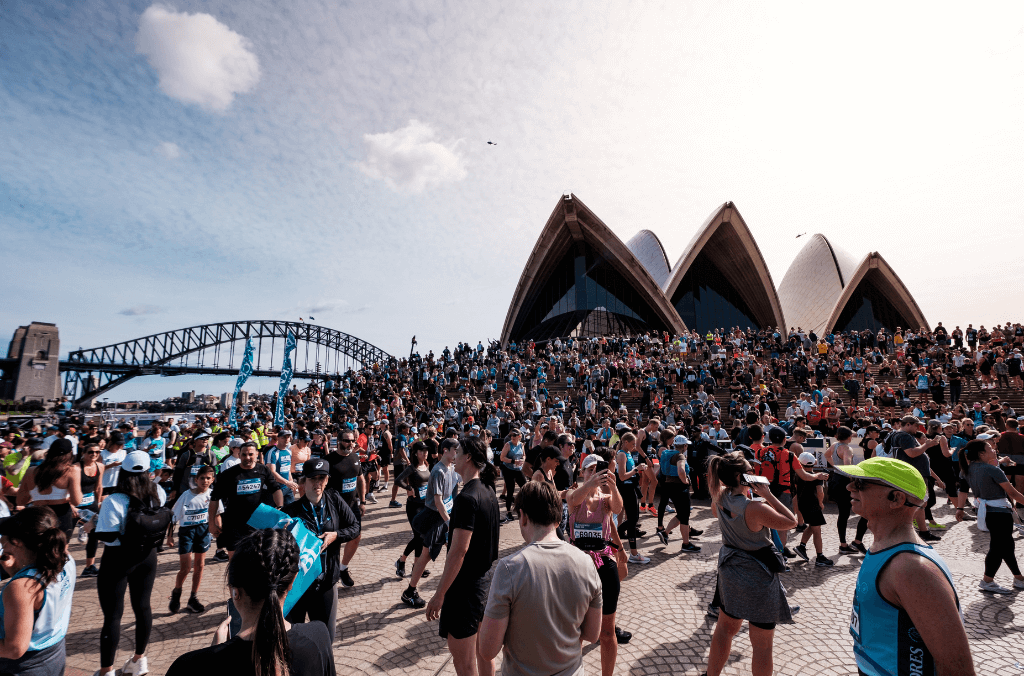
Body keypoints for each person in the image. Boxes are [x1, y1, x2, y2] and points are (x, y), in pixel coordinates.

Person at [836, 457, 975, 675]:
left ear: (896, 498)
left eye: (860, 483)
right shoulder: (884, 547)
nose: (849, 486)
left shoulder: (911, 568)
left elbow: (959, 669)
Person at [165, 528, 336, 676]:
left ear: (235, 592)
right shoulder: (318, 637)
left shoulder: (188, 667)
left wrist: (216, 652)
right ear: (292, 582)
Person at [477, 481, 602, 676]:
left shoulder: (509, 569)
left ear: (523, 517)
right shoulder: (586, 563)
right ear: (558, 520)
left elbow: (487, 650)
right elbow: (592, 634)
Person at [704, 451, 796, 676]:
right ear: (740, 477)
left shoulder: (719, 496)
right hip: (758, 576)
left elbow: (717, 513)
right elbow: (792, 522)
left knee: (725, 629)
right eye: (749, 471)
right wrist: (769, 495)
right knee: (763, 644)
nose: (754, 473)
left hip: (730, 571)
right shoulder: (755, 508)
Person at [424, 437, 500, 676]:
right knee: (484, 654)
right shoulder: (487, 489)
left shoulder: (467, 498)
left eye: (458, 452)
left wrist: (439, 594)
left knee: (465, 664)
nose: (453, 457)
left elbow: (458, 551)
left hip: (465, 590)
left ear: (468, 457)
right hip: (485, 584)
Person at [94, 450, 169, 676]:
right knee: (143, 607)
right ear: (148, 472)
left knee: (113, 616)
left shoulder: (115, 500)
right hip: (148, 557)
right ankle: (139, 660)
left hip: (117, 560)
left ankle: (107, 670)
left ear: (123, 473)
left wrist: (91, 526)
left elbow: (107, 536)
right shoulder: (159, 492)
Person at [566, 452, 630, 676]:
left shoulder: (605, 500)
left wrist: (613, 486)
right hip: (577, 567)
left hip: (604, 565)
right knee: (576, 630)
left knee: (607, 630)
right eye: (589, 470)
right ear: (582, 473)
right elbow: (573, 500)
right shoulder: (574, 495)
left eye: (597, 469)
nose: (594, 474)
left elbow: (619, 508)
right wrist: (591, 483)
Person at [283, 458, 360, 643]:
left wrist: (336, 535)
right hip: (298, 586)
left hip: (327, 581)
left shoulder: (334, 498)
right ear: (303, 481)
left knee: (326, 638)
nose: (318, 483)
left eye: (322, 478)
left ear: (327, 480)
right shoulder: (291, 511)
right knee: (293, 638)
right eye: (313, 478)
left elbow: (355, 527)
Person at [0, 506, 77, 676]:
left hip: (25, 666)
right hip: (54, 653)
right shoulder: (66, 560)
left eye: (3, 537)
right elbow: (39, 601)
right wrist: (14, 571)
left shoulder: (21, 588)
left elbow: (14, 648)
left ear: (16, 542)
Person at [401, 438, 460, 609]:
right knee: (426, 555)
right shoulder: (438, 471)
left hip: (444, 517)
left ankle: (450, 591)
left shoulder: (453, 469)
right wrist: (449, 522)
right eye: (455, 450)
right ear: (445, 450)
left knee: (452, 553)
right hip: (435, 518)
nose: (458, 453)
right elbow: (439, 501)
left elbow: (452, 495)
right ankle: (410, 591)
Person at [959, 439, 1024, 594]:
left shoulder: (969, 469)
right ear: (982, 453)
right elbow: (1013, 493)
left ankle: (1019, 578)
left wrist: (959, 508)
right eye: (990, 447)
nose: (994, 449)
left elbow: (963, 490)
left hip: (987, 511)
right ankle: (987, 581)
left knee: (1006, 546)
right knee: (998, 548)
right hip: (999, 513)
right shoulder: (991, 469)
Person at [209, 441, 283, 558]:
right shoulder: (228, 474)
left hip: (257, 522)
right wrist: (211, 523)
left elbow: (276, 489)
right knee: (235, 561)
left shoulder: (263, 470)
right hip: (234, 523)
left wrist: (279, 508)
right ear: (239, 455)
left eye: (250, 454)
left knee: (256, 558)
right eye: (244, 455)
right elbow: (214, 498)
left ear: (257, 454)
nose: (247, 458)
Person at [167, 465, 219, 614]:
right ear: (196, 480)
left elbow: (217, 514)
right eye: (202, 478)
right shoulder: (186, 496)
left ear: (212, 480)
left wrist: (218, 529)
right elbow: (173, 517)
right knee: (185, 568)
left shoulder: (212, 495)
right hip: (186, 532)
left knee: (200, 565)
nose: (205, 481)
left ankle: (193, 598)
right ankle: (177, 592)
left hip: (202, 531)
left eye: (208, 478)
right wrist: (170, 536)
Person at [16, 439, 83, 539]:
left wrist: (37, 495)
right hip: (61, 515)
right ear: (70, 454)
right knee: (60, 550)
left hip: (38, 514)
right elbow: (76, 501)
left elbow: (20, 501)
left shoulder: (31, 471)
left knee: (37, 549)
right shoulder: (72, 471)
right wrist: (65, 497)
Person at [325, 429, 363, 588]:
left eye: (353, 441)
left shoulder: (355, 457)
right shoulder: (328, 460)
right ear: (339, 441)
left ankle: (343, 568)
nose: (350, 444)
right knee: (333, 542)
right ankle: (329, 574)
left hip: (353, 506)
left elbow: (360, 478)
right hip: (334, 508)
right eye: (347, 441)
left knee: (356, 537)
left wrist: (363, 501)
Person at [655, 435, 701, 552]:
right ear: (684, 446)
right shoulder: (680, 456)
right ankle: (686, 544)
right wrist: (686, 481)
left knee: (681, 514)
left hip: (670, 485)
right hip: (680, 488)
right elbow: (681, 470)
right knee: (684, 516)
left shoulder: (668, 453)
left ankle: (665, 533)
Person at [393, 441, 431, 579]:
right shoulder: (412, 468)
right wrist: (409, 488)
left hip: (425, 505)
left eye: (426, 450)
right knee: (419, 536)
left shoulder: (426, 465)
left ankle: (416, 566)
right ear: (415, 453)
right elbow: (398, 480)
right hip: (414, 506)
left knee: (420, 538)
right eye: (421, 450)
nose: (425, 453)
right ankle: (402, 561)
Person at [615, 432, 650, 564]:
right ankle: (614, 532)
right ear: (625, 442)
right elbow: (622, 476)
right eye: (633, 443)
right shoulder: (622, 454)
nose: (635, 446)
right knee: (633, 519)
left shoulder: (628, 453)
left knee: (632, 520)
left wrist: (637, 470)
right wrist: (637, 469)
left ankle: (634, 553)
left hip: (631, 488)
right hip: (625, 489)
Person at [793, 452, 832, 566]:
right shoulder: (817, 476)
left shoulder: (797, 475)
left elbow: (796, 490)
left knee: (812, 526)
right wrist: (820, 502)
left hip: (802, 504)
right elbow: (820, 492)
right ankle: (820, 557)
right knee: (817, 531)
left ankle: (801, 547)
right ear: (814, 463)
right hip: (813, 505)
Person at [77, 443, 105, 578]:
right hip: (75, 506)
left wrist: (98, 502)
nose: (94, 454)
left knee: (94, 536)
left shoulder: (100, 466)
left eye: (97, 452)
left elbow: (99, 487)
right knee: (64, 537)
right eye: (90, 452)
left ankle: (89, 566)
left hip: (91, 504)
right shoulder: (75, 468)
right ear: (84, 453)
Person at [497, 429, 527, 523]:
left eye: (514, 435)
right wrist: (513, 461)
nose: (512, 437)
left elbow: (524, 455)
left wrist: (522, 460)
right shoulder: (508, 445)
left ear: (519, 436)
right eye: (511, 435)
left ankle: (522, 506)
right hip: (508, 469)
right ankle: (509, 512)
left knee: (525, 487)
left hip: (518, 469)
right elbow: (502, 458)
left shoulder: (521, 444)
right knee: (510, 489)